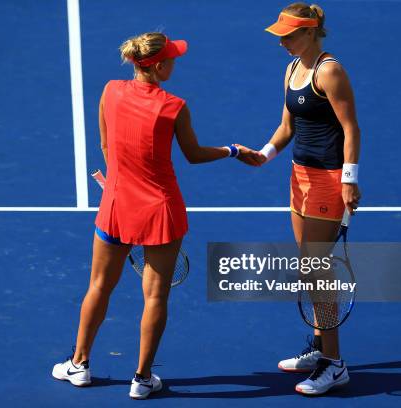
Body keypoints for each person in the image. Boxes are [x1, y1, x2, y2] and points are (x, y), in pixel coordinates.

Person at [52, 32, 257, 399]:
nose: (176, 62)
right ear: (159, 66)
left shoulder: (110, 91)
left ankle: (79, 365)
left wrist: (119, 183)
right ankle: (142, 379)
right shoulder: (174, 106)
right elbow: (193, 155)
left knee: (99, 285)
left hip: (116, 205)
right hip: (161, 211)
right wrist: (232, 150)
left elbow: (106, 146)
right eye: (173, 58)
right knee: (156, 297)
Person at [246, 3, 362, 396]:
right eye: (280, 35)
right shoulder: (293, 67)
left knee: (316, 270)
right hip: (299, 178)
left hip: (329, 181)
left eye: (289, 35)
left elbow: (351, 129)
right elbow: (286, 127)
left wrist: (349, 180)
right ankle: (319, 346)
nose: (282, 41)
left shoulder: (329, 70)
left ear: (311, 32)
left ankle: (334, 364)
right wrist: (264, 154)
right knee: (311, 268)